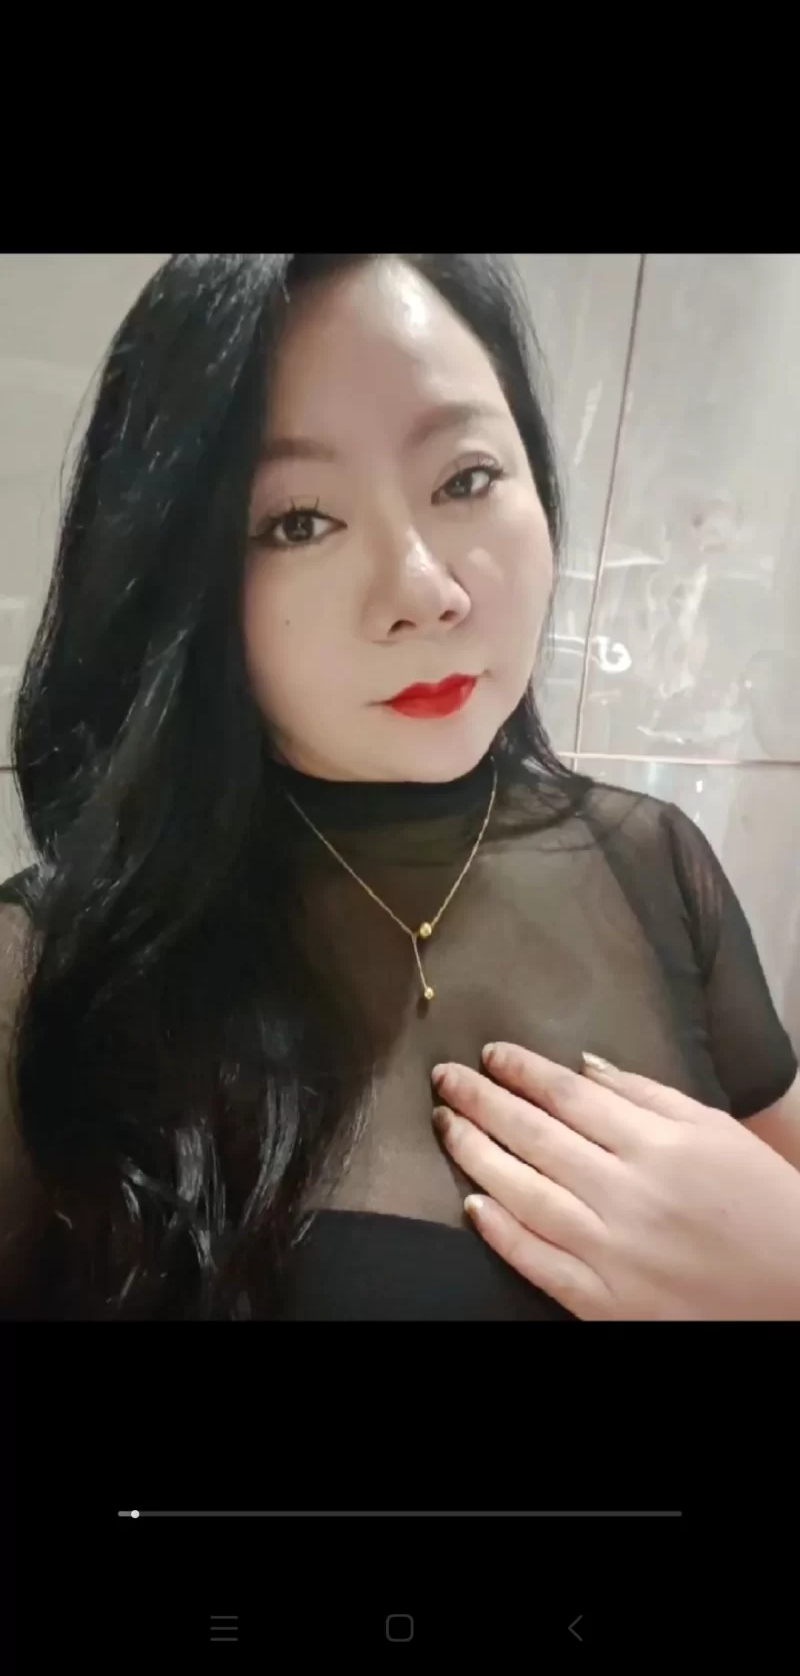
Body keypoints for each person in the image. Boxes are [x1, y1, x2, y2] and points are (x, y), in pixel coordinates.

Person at [0, 251, 798, 1321]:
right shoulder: (47, 981)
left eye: (465, 479)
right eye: (299, 520)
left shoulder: (655, 866)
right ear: (183, 578)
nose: (423, 591)